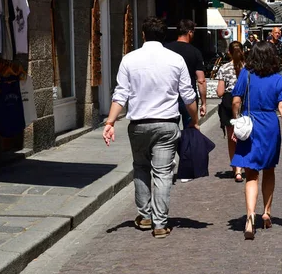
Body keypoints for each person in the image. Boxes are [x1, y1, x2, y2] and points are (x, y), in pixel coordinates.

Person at [103, 17, 199, 239]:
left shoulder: (129, 59)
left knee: (141, 167)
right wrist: (194, 119)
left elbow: (121, 94)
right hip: (166, 124)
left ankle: (145, 216)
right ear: (164, 36)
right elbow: (188, 95)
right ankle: (160, 223)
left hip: (138, 124)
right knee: (163, 173)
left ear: (143, 35)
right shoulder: (175, 60)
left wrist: (110, 122)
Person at [231, 42, 282, 240]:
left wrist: (237, 121)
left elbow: (236, 101)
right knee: (269, 169)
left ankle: (250, 216)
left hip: (250, 124)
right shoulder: (280, 80)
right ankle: (267, 212)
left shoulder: (246, 74)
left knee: (251, 174)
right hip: (270, 125)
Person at [165, 20, 207, 126]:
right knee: (190, 131)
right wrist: (204, 103)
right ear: (190, 32)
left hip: (169, 96)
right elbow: (201, 80)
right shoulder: (195, 52)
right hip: (189, 98)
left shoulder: (166, 49)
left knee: (171, 130)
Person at [216, 41, 245, 182]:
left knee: (231, 137)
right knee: (244, 136)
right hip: (244, 101)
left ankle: (236, 169)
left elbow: (220, 92)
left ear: (229, 52)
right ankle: (243, 166)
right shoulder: (248, 68)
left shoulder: (223, 68)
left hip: (228, 101)